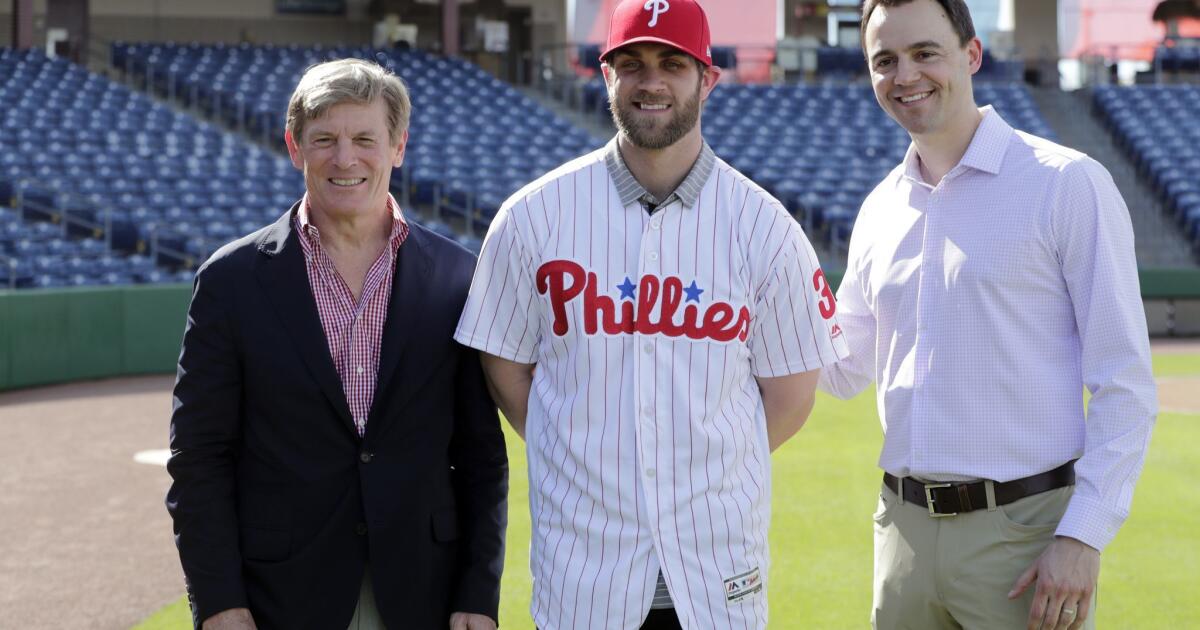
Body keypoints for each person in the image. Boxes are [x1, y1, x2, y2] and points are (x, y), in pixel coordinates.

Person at [454, 1, 847, 628]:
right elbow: (503, 365)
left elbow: (792, 395)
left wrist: (695, 462)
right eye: (631, 64)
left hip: (716, 571)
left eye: (673, 63)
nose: (652, 81)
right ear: (606, 75)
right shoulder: (534, 216)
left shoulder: (765, 228)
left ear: (708, 79)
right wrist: (582, 448)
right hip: (585, 572)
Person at [818, 1, 1158, 629]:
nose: (905, 75)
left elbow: (1125, 381)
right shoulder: (878, 209)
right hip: (903, 530)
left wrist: (1083, 537)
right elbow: (842, 370)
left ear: (971, 55)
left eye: (925, 53)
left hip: (1025, 537)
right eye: (884, 61)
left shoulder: (1067, 184)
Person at [166, 58, 508, 630]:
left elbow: (481, 456)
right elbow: (200, 457)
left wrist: (478, 591)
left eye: (364, 139)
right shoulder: (230, 281)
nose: (345, 158)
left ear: (398, 146)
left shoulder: (458, 277)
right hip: (280, 595)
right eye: (324, 139)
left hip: (422, 591)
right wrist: (220, 601)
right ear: (294, 146)